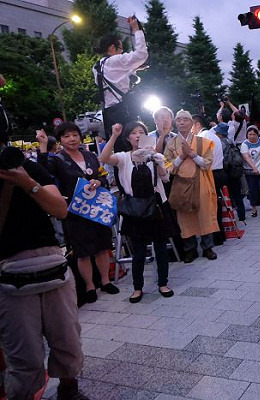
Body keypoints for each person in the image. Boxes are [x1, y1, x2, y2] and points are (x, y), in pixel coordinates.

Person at [0, 134, 89, 399]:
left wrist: (27, 183)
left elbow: (60, 209)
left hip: (50, 262)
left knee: (67, 337)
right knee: (24, 352)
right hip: (7, 271)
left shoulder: (24, 166)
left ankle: (69, 388)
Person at [37, 122, 119, 304]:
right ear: (60, 140)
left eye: (74, 134)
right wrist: (42, 146)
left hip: (97, 209)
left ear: (80, 137)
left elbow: (102, 175)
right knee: (82, 252)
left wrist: (98, 181)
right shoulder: (58, 159)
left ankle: (105, 281)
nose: (71, 139)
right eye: (66, 136)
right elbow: (42, 173)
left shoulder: (90, 155)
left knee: (102, 247)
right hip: (76, 211)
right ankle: (90, 286)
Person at [99, 121, 175, 303]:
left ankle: (163, 283)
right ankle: (137, 287)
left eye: (141, 132)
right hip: (135, 209)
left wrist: (159, 162)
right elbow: (104, 158)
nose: (138, 135)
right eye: (133, 133)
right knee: (138, 251)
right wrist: (114, 135)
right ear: (128, 138)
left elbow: (165, 179)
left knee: (160, 248)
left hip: (156, 205)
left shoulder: (154, 155)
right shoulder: (123, 157)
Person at [164, 110, 219, 262]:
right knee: (184, 217)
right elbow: (168, 167)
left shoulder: (202, 142)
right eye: (179, 120)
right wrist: (182, 156)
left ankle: (208, 248)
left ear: (192, 123)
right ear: (176, 123)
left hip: (201, 181)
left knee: (204, 213)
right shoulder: (171, 143)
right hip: (181, 183)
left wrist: (193, 154)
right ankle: (190, 249)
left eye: (185, 120)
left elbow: (207, 163)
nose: (181, 122)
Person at [93, 16, 147, 147]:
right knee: (136, 148)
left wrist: (134, 68)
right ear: (112, 48)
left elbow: (115, 80)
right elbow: (141, 54)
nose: (122, 52)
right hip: (124, 111)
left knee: (120, 152)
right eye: (121, 49)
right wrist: (137, 30)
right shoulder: (115, 61)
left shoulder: (97, 67)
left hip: (109, 115)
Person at [194, 114, 226, 246]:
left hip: (210, 173)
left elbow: (201, 159)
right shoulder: (213, 135)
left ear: (197, 125)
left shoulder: (202, 137)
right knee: (216, 206)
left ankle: (215, 237)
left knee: (210, 207)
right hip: (219, 172)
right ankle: (219, 236)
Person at [215, 122, 246, 223]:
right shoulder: (230, 141)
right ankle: (242, 216)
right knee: (237, 194)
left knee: (226, 195)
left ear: (219, 133)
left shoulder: (220, 143)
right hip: (235, 170)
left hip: (226, 171)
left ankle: (230, 217)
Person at [241, 125, 260, 219]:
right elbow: (246, 157)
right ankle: (254, 208)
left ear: (257, 134)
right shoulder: (245, 144)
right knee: (252, 190)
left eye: (254, 134)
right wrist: (254, 167)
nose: (252, 136)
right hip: (250, 171)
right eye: (250, 134)